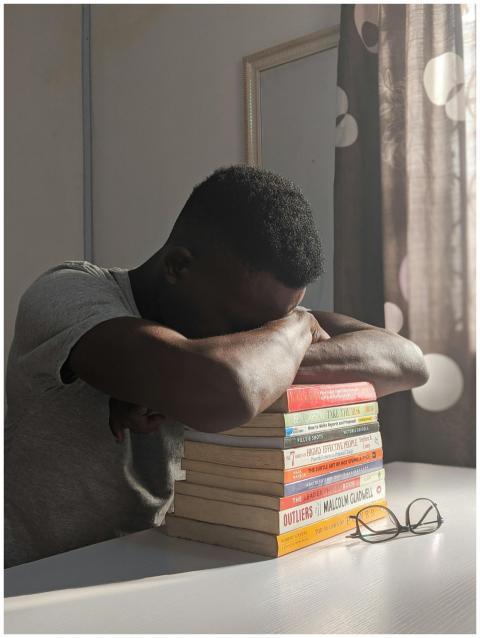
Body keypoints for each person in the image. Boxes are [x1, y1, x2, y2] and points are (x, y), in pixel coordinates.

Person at [4, 166, 428, 567]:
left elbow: (408, 362)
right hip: (35, 583)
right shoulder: (67, 293)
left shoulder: (265, 324)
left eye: (276, 323)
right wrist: (294, 330)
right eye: (251, 327)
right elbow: (226, 390)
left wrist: (280, 343)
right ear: (178, 266)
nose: (260, 336)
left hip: (164, 566)